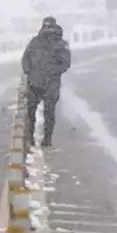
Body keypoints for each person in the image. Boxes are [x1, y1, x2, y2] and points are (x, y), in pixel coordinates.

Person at [21, 16, 71, 147]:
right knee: (30, 111)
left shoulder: (60, 44)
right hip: (34, 83)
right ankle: (30, 138)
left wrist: (52, 72)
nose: (48, 29)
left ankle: (47, 139)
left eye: (50, 26)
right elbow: (25, 58)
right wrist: (28, 71)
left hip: (51, 84)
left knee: (49, 112)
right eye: (45, 26)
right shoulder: (35, 42)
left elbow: (65, 63)